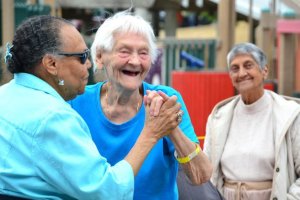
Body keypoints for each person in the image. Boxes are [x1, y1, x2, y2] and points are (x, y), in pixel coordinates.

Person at [0, 15, 182, 200]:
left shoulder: (4, 96)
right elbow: (108, 192)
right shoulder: (54, 117)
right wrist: (151, 134)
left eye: (143, 53)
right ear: (51, 64)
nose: (88, 64)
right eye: (81, 57)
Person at [69, 10, 212, 200]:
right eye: (124, 51)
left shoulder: (167, 99)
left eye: (143, 53)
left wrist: (170, 128)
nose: (135, 61)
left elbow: (200, 176)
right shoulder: (76, 101)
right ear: (100, 57)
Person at [203, 42, 300, 200]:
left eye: (248, 65)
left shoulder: (290, 114)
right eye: (235, 68)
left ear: (264, 71)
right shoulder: (218, 117)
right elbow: (207, 170)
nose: (241, 73)